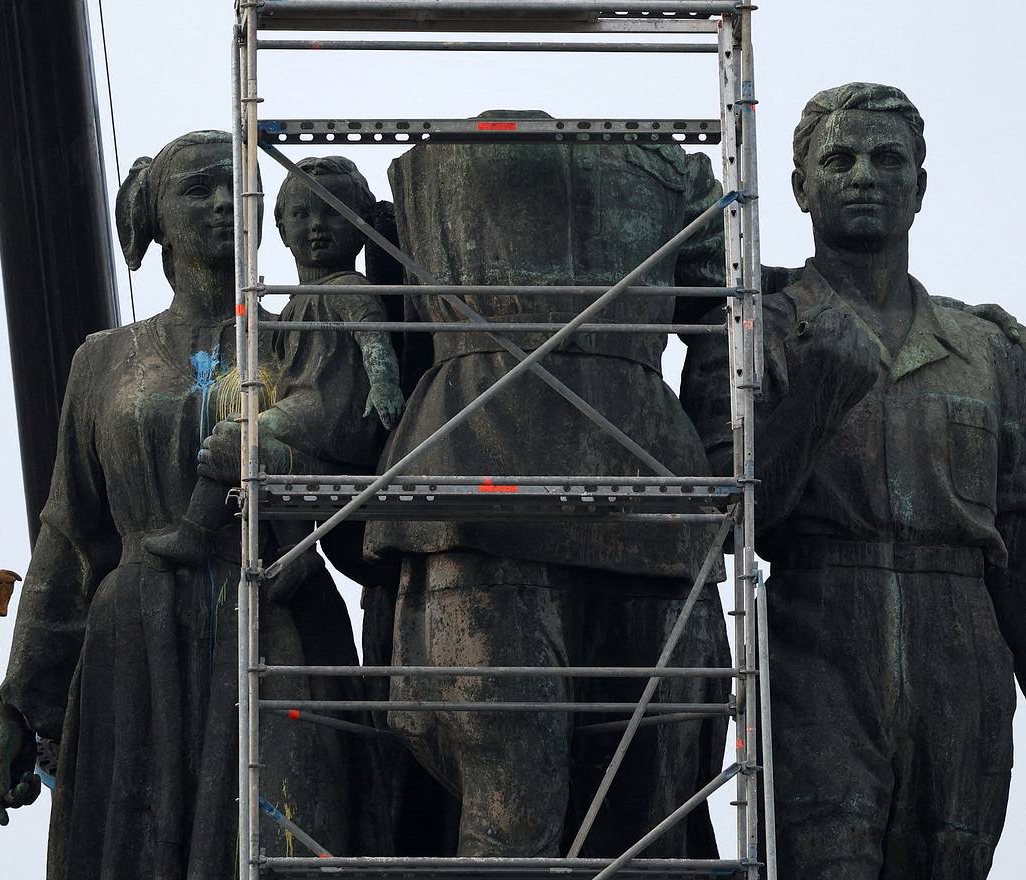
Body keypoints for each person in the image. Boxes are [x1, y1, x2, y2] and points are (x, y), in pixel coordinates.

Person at [0, 132, 382, 880]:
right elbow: (71, 536)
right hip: (137, 647)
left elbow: (358, 471)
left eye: (233, 189)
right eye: (197, 190)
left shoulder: (300, 328)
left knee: (298, 837)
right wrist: (24, 699)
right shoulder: (103, 360)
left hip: (278, 621)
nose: (220, 204)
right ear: (158, 221)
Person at [364, 112, 731, 858]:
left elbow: (730, 320)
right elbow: (727, 318)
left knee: (630, 819)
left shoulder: (678, 179)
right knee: (545, 812)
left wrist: (723, 474)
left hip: (628, 508)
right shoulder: (427, 178)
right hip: (503, 494)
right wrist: (721, 470)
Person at [738, 82, 1026, 879]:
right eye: (839, 158)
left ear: (920, 187)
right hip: (820, 627)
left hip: (962, 638)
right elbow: (734, 520)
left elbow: (1020, 528)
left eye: (886, 159)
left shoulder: (988, 348)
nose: (863, 174)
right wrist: (818, 396)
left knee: (954, 857)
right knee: (828, 854)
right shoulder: (757, 329)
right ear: (802, 187)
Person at [143, 155, 404, 576]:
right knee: (257, 462)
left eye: (333, 213)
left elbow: (373, 336)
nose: (317, 226)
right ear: (281, 229)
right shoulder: (295, 304)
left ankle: (194, 534)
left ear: (359, 227)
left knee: (235, 441)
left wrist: (384, 383)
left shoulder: (349, 288)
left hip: (331, 417)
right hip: (311, 418)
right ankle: (297, 556)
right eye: (302, 214)